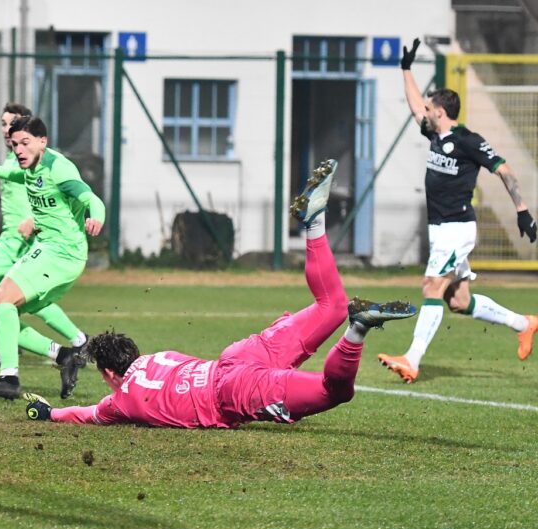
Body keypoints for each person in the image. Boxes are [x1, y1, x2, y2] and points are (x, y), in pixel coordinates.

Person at [22, 160, 418, 429]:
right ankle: (314, 225)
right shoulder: (157, 358)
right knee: (331, 306)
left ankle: (358, 331)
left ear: (109, 374)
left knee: (333, 392)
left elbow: (83, 413)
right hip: (235, 358)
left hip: (233, 391)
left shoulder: (121, 403)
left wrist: (48, 413)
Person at [377, 39, 538, 384]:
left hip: (456, 229)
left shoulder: (468, 140)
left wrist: (522, 211)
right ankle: (525, 324)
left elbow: (504, 170)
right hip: (441, 228)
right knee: (459, 301)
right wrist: (406, 69)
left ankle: (412, 359)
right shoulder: (435, 135)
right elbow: (414, 106)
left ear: (441, 111)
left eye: (429, 106)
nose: (425, 109)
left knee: (431, 287)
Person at [0, 115, 105, 400]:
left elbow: (90, 197)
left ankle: (9, 379)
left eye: (25, 143)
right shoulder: (32, 165)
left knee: (1, 300)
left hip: (62, 253)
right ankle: (64, 355)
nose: (19, 150)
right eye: (15, 145)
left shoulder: (58, 168)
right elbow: (20, 175)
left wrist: (96, 217)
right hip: (47, 249)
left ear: (43, 141)